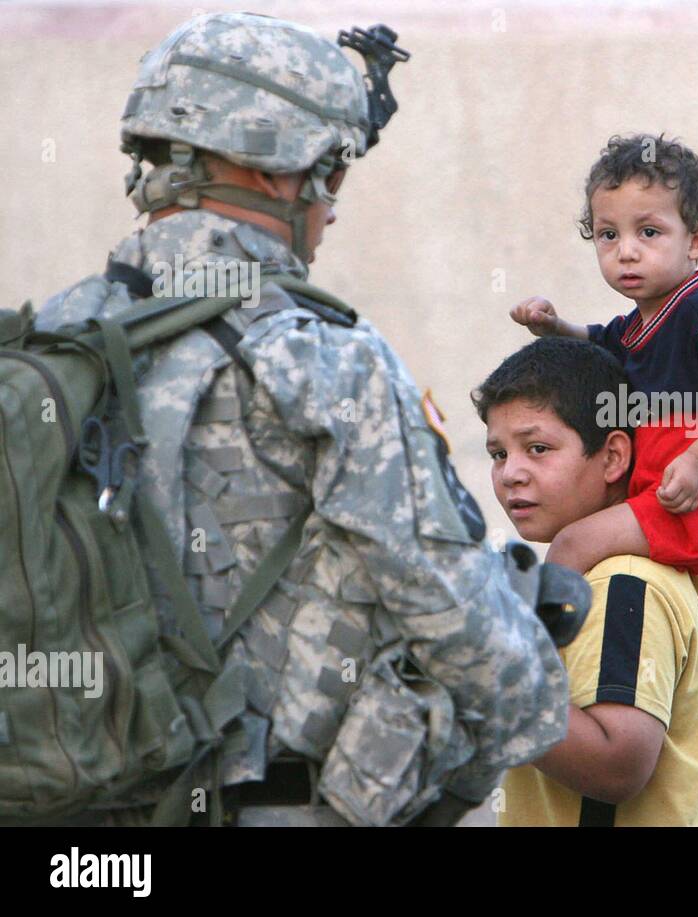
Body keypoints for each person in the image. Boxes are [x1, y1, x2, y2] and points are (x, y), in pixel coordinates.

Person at [30, 12, 570, 826]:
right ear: (279, 174)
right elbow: (486, 660)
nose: (333, 205)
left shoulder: (50, 346)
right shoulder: (324, 359)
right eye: (332, 172)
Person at [475, 338, 698, 826]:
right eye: (498, 453)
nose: (511, 474)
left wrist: (482, 676)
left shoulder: (621, 581)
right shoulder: (655, 569)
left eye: (538, 448)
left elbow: (616, 764)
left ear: (613, 457)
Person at [508, 133, 698, 577]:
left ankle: (539, 645)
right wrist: (553, 329)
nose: (627, 251)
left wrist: (696, 460)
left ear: (695, 239)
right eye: (608, 235)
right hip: (662, 491)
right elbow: (602, 345)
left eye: (649, 232)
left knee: (572, 544)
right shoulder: (641, 324)